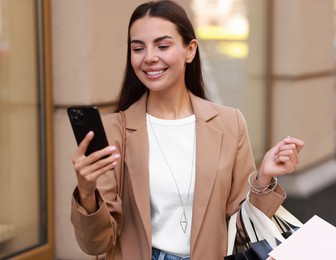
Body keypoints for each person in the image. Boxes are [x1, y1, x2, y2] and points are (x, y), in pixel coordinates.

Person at [70, 0, 304, 259]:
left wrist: (264, 179)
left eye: (163, 45)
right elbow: (97, 244)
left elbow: (241, 231)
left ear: (190, 50)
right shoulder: (114, 131)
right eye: (138, 48)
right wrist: (86, 191)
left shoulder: (229, 123)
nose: (149, 57)